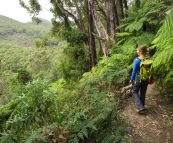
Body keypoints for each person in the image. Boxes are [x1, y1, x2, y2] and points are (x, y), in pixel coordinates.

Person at [130, 45, 149, 114]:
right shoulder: (147, 59)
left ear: (140, 51)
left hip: (138, 79)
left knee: (134, 91)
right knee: (143, 93)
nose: (136, 51)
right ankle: (142, 107)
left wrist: (131, 79)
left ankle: (140, 107)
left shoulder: (137, 60)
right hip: (146, 79)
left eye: (137, 50)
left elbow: (134, 71)